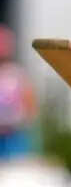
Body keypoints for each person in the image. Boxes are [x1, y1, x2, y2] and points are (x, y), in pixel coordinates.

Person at [0, 25, 36, 160]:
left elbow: (30, 103)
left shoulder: (17, 73)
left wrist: (24, 122)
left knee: (15, 166)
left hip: (14, 134)